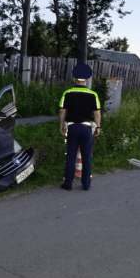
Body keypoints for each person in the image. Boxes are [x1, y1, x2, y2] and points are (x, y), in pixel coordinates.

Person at [59, 63, 101, 191]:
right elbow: (97, 113)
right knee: (86, 156)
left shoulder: (67, 93)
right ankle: (86, 184)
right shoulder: (93, 94)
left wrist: (62, 125)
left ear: (74, 78)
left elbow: (62, 110)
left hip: (72, 128)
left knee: (70, 155)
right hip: (86, 128)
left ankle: (68, 184)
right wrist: (98, 127)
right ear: (87, 79)